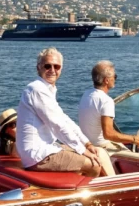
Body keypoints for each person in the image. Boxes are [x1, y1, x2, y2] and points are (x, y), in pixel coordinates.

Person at [16, 47, 106, 177]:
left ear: (61, 69)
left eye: (56, 67)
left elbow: (65, 120)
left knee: (96, 153)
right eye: (47, 66)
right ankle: (84, 197)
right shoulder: (36, 89)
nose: (52, 70)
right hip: (38, 155)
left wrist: (87, 143)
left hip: (46, 149)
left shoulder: (47, 90)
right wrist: (82, 150)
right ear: (38, 68)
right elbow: (57, 125)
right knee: (94, 165)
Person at [79, 60, 139, 153]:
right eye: (115, 76)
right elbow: (108, 134)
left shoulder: (86, 94)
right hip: (102, 147)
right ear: (106, 80)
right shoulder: (106, 101)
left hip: (87, 144)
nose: (115, 79)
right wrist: (134, 139)